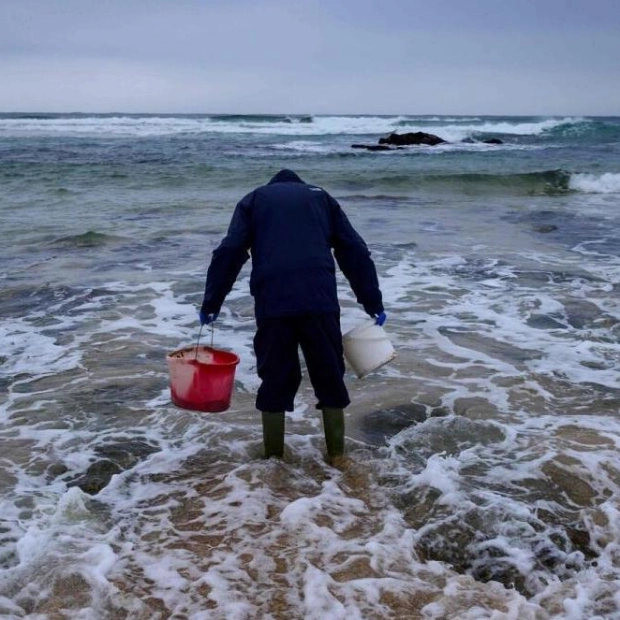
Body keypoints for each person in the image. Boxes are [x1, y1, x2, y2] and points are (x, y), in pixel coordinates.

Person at [199, 169, 385, 461]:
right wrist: (372, 300)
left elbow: (230, 251)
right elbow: (354, 250)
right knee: (329, 377)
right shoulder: (322, 198)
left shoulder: (254, 199)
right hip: (319, 302)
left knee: (275, 379)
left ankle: (273, 461)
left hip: (274, 303)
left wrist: (212, 302)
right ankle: (337, 457)